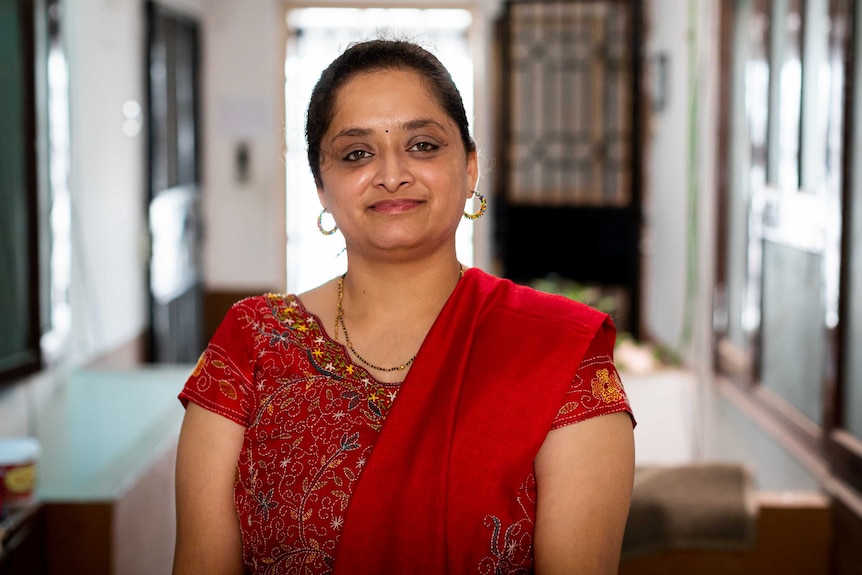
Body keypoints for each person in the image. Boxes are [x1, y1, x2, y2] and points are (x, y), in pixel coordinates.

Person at [173, 39, 635, 575]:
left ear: (469, 168)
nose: (392, 174)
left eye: (422, 145)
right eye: (357, 154)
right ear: (322, 187)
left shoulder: (559, 353)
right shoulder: (252, 344)